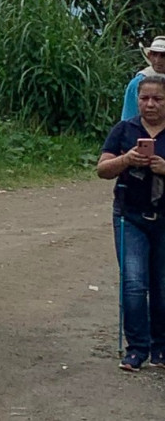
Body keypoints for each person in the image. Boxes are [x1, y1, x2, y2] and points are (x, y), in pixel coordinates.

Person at [98, 73, 165, 371]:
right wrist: (126, 160)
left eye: (158, 99)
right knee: (134, 283)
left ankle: (160, 347)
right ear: (137, 100)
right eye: (144, 98)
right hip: (130, 216)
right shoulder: (124, 130)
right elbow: (102, 169)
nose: (150, 104)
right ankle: (136, 348)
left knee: (162, 285)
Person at [122, 36, 165, 121]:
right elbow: (128, 117)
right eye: (154, 55)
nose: (157, 60)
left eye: (163, 56)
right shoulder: (138, 82)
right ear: (149, 56)